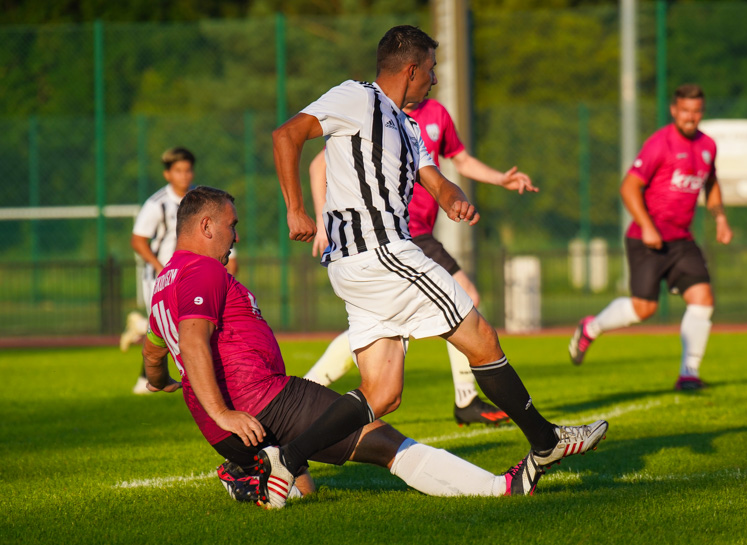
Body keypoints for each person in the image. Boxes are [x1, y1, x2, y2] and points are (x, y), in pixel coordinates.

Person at [265, 24, 608, 508]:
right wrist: (296, 209)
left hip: (361, 265)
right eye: (431, 69)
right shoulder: (356, 97)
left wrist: (453, 198)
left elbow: (433, 177)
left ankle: (287, 458)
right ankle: (546, 441)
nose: (435, 79)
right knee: (481, 336)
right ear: (410, 69)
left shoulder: (405, 126)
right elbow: (287, 135)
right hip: (381, 253)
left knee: (381, 394)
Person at [142, 186, 547, 506]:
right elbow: (194, 341)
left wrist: (160, 382)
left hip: (220, 429)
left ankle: (250, 479)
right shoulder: (203, 270)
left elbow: (153, 351)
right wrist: (224, 411)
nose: (237, 235)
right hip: (261, 403)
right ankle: (501, 489)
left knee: (303, 486)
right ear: (207, 226)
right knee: (386, 443)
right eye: (232, 225)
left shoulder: (165, 281)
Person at [303, 97, 538, 427]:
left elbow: (462, 160)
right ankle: (467, 399)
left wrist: (500, 179)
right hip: (393, 234)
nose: (433, 77)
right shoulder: (372, 111)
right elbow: (318, 165)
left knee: (396, 321)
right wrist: (321, 218)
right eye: (428, 69)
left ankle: (304, 391)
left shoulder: (435, 115)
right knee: (450, 303)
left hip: (420, 234)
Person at [569, 84, 733, 390]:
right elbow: (628, 187)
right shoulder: (660, 143)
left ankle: (688, 374)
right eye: (685, 111)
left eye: (696, 111)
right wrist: (646, 225)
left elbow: (711, 183)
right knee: (643, 309)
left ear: (702, 112)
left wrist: (720, 218)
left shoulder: (708, 146)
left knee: (703, 299)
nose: (690, 117)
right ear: (674, 110)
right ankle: (591, 328)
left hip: (682, 240)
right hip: (647, 239)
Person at [122, 147, 237, 394]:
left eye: (188, 170)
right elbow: (138, 240)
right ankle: (157, 373)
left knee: (177, 325)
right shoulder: (157, 204)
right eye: (178, 171)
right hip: (163, 276)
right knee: (175, 325)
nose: (184, 176)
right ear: (167, 174)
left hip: (194, 276)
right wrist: (161, 269)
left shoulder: (203, 201)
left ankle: (148, 369)